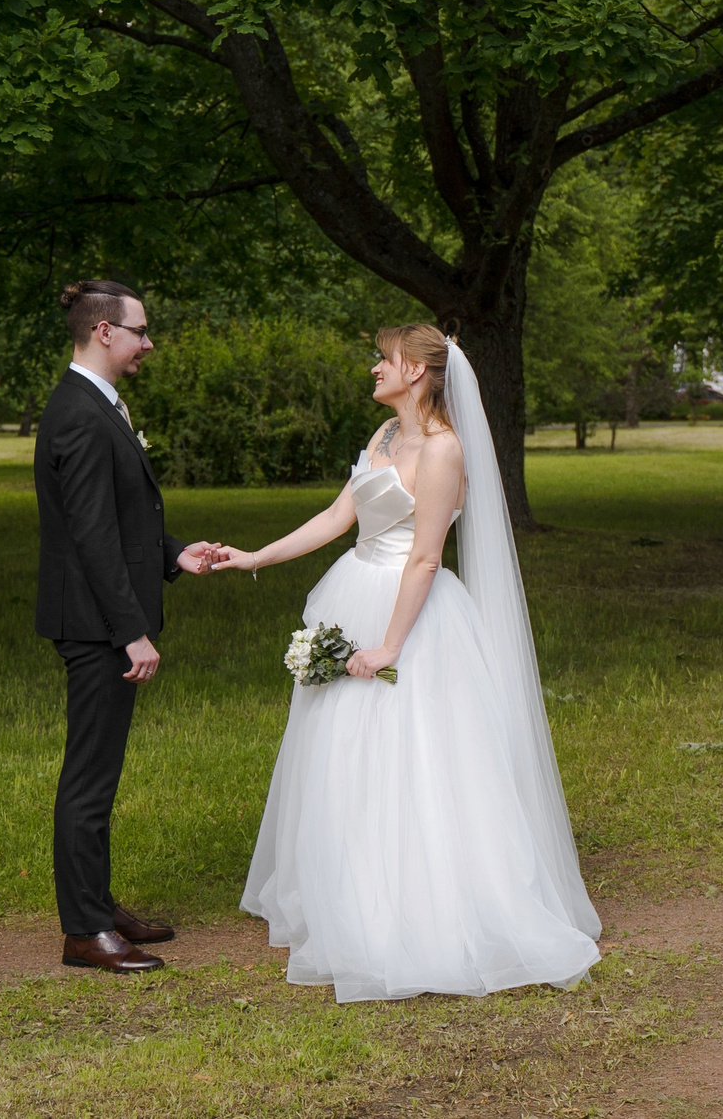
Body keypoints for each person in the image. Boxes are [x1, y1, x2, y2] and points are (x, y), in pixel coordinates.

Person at [216, 323, 601, 1002]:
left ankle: (421, 902)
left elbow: (425, 557)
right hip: (355, 589)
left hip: (411, 613)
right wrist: (254, 557)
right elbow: (338, 516)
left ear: (417, 371)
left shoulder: (444, 449)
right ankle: (350, 889)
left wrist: (390, 645)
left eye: (385, 358)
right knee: (344, 749)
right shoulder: (385, 436)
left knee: (419, 753)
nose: (375, 367)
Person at [33, 279, 229, 974]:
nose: (149, 342)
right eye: (141, 330)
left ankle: (99, 903)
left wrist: (174, 552)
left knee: (100, 771)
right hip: (95, 624)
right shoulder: (82, 414)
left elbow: (118, 517)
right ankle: (85, 931)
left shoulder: (96, 403)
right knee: (89, 777)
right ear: (104, 332)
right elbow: (90, 537)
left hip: (99, 617)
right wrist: (131, 631)